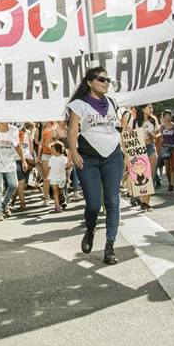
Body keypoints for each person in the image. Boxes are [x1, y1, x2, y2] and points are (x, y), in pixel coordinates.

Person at [66, 67, 124, 264]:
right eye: (101, 79)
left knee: (112, 201)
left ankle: (110, 247)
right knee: (93, 205)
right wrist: (74, 154)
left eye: (108, 79)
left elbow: (118, 129)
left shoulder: (113, 102)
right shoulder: (78, 105)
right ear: (90, 82)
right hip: (88, 159)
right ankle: (90, 229)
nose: (106, 82)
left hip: (113, 158)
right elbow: (72, 132)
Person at [157, 111, 174, 192]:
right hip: (164, 147)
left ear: (171, 116)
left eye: (169, 115)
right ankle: (170, 181)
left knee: (172, 167)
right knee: (167, 169)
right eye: (166, 115)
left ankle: (171, 185)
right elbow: (160, 138)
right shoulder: (162, 127)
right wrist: (159, 149)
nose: (168, 117)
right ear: (164, 117)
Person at [46, 141, 69, 213]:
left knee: (60, 192)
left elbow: (68, 167)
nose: (51, 150)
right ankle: (57, 206)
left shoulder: (64, 158)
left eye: (53, 149)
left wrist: (68, 178)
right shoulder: (51, 158)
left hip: (61, 177)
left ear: (57, 150)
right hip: (53, 177)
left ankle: (61, 201)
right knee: (55, 191)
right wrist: (47, 176)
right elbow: (49, 168)